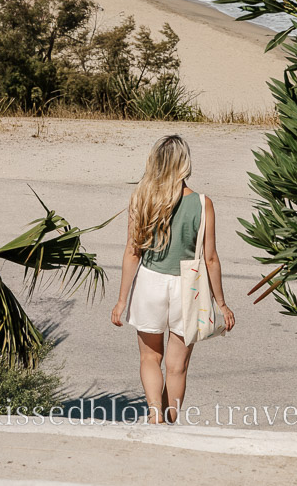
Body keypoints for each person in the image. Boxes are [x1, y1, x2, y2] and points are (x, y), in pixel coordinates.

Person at [111, 135, 235, 424]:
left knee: (149, 359)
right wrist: (221, 304)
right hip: (187, 288)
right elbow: (211, 258)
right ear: (185, 164)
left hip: (149, 283)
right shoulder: (203, 204)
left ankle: (155, 416)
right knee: (177, 366)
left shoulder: (141, 198)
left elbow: (132, 252)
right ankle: (169, 421)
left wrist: (121, 301)